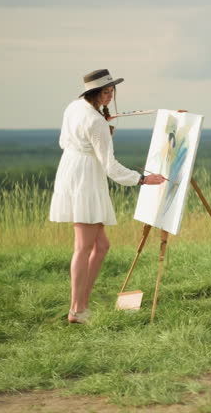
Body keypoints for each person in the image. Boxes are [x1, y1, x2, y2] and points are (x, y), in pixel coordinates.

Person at [49, 68, 166, 323]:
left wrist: (97, 139)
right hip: (85, 179)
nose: (110, 95)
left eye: (112, 90)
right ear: (93, 92)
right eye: (105, 91)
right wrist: (143, 179)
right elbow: (111, 167)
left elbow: (63, 141)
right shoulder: (96, 121)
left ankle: (81, 306)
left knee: (101, 246)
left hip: (71, 169)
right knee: (83, 247)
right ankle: (76, 310)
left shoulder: (74, 107)